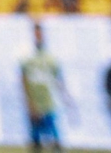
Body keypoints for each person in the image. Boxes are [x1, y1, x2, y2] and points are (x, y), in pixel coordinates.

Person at [21, 22, 74, 151]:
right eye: (36, 34)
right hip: (34, 101)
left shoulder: (51, 58)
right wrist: (29, 103)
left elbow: (58, 79)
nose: (38, 36)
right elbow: (23, 81)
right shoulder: (27, 58)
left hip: (49, 101)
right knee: (35, 139)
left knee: (55, 137)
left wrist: (66, 97)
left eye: (40, 33)